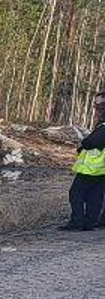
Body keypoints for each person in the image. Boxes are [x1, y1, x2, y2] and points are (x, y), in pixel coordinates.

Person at [63, 91, 105, 230]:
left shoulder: (104, 126)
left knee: (76, 193)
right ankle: (89, 223)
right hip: (99, 169)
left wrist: (83, 144)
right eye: (95, 105)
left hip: (93, 168)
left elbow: (94, 141)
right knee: (95, 195)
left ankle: (77, 222)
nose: (96, 109)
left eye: (99, 105)